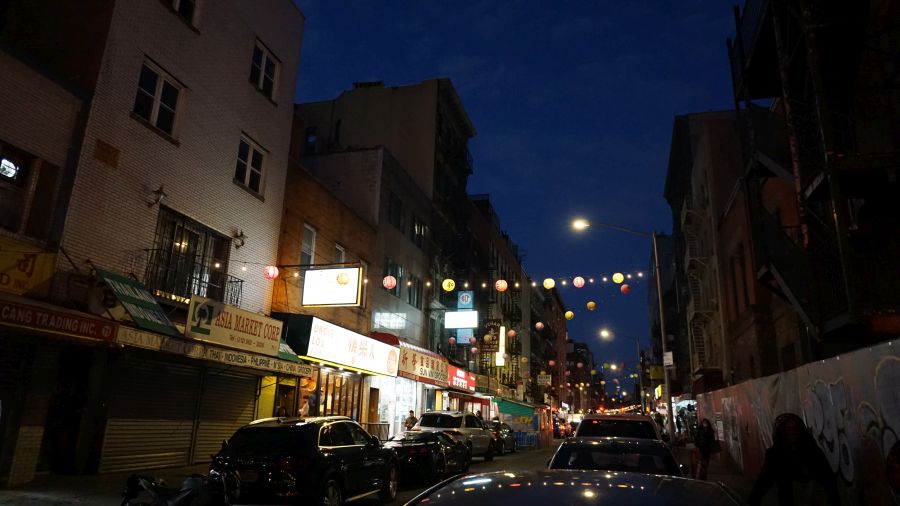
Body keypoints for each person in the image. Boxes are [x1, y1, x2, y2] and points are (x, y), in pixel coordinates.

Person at [749, 413, 841, 506]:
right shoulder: (776, 454)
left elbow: (828, 478)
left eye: (794, 429)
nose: (792, 433)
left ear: (800, 431)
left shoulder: (811, 450)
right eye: (788, 430)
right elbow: (762, 483)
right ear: (782, 432)